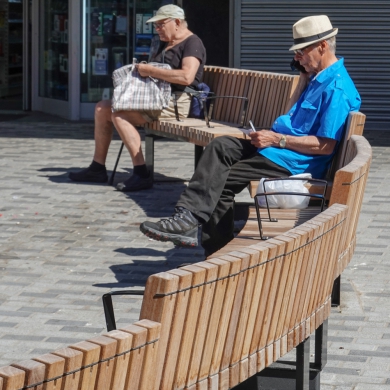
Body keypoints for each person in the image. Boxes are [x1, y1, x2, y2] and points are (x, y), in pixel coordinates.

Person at [139, 15, 361, 256]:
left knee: (222, 181)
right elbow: (289, 117)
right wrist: (303, 76)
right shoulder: (317, 78)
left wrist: (276, 139)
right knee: (221, 145)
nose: (297, 58)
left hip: (294, 161)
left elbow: (325, 147)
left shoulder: (336, 88)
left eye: (301, 52)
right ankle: (187, 217)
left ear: (322, 46)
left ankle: (216, 254)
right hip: (279, 150)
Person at [69, 5, 206, 192]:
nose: (157, 29)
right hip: (157, 98)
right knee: (102, 108)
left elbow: (186, 77)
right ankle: (97, 168)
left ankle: (141, 172)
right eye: (155, 26)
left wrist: (150, 70)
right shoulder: (165, 42)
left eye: (160, 24)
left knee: (120, 115)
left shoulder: (192, 43)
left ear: (176, 22)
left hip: (176, 103)